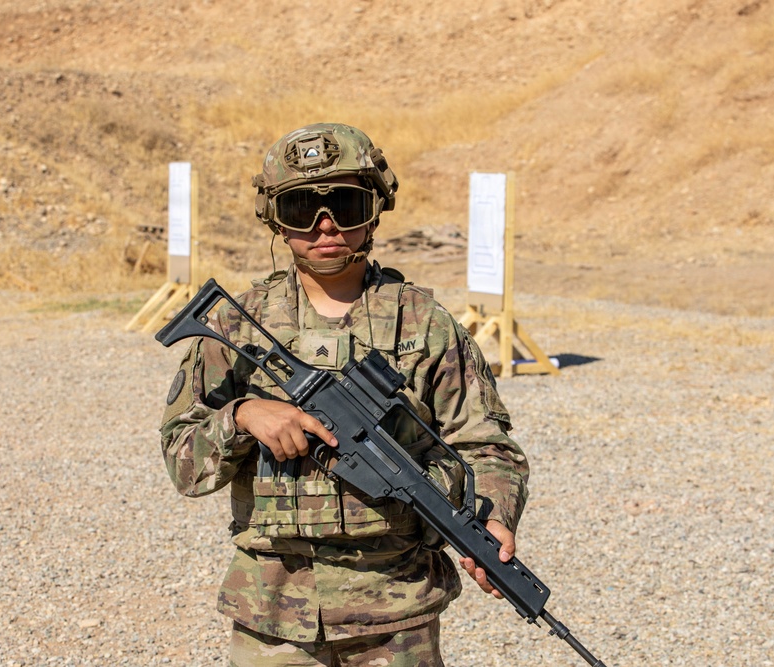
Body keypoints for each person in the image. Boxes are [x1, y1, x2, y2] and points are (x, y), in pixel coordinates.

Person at [159, 123, 530, 666]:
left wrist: (491, 517)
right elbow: (184, 463)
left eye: (346, 205)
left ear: (375, 209)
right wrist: (242, 415)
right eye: (303, 207)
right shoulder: (236, 326)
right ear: (275, 220)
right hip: (273, 610)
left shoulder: (423, 323)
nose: (325, 225)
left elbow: (485, 444)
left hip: (395, 608)